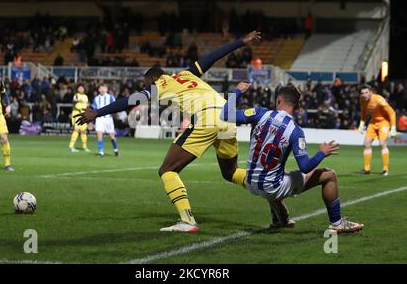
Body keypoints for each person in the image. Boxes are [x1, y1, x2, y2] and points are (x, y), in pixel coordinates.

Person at [75, 31, 261, 232]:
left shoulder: (160, 85)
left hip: (206, 118)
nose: (147, 88)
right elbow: (213, 57)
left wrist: (97, 113)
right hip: (228, 116)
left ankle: (187, 220)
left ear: (153, 78)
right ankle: (274, 192)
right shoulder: (187, 73)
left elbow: (129, 100)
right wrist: (241, 41)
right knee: (230, 172)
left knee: (167, 170)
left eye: (147, 85)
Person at [221, 82, 364, 233]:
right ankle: (337, 222)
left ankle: (279, 220)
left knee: (279, 174)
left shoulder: (260, 113)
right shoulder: (295, 131)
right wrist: (322, 152)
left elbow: (225, 115)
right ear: (297, 106)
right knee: (329, 175)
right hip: (271, 187)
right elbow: (305, 167)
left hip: (250, 182)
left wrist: (237, 91)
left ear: (279, 100)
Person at [359, 84, 397, 176]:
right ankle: (366, 169)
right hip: (373, 122)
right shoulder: (362, 100)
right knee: (367, 143)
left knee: (382, 143)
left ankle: (385, 169)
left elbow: (391, 113)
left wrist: (393, 127)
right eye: (363, 93)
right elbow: (364, 112)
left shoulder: (379, 99)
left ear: (371, 92)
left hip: (384, 122)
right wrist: (362, 123)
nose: (364, 95)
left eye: (366, 92)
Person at [92, 84, 119, 156]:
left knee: (111, 136)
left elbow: (115, 106)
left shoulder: (110, 97)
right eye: (100, 88)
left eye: (104, 88)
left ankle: (115, 150)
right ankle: (101, 152)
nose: (102, 89)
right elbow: (94, 110)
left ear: (106, 89)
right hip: (99, 119)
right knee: (99, 135)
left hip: (108, 118)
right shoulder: (96, 99)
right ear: (99, 90)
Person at [69, 84, 89, 153]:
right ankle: (71, 146)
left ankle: (85, 147)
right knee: (76, 130)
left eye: (82, 88)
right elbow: (73, 104)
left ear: (84, 89)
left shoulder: (86, 97)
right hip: (77, 114)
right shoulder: (76, 95)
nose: (81, 89)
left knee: (83, 131)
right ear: (77, 89)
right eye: (79, 88)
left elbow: (86, 106)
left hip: (83, 115)